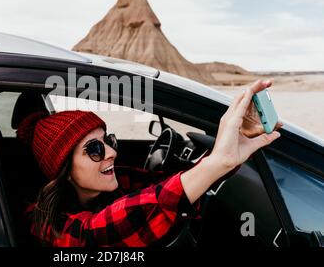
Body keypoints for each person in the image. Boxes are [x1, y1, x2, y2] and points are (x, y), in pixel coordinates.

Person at [17, 79, 282, 247]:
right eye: (95, 149)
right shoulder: (44, 222)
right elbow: (98, 231)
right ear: (64, 170)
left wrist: (227, 153)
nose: (111, 152)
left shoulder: (115, 180)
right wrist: (214, 165)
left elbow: (167, 186)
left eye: (108, 140)